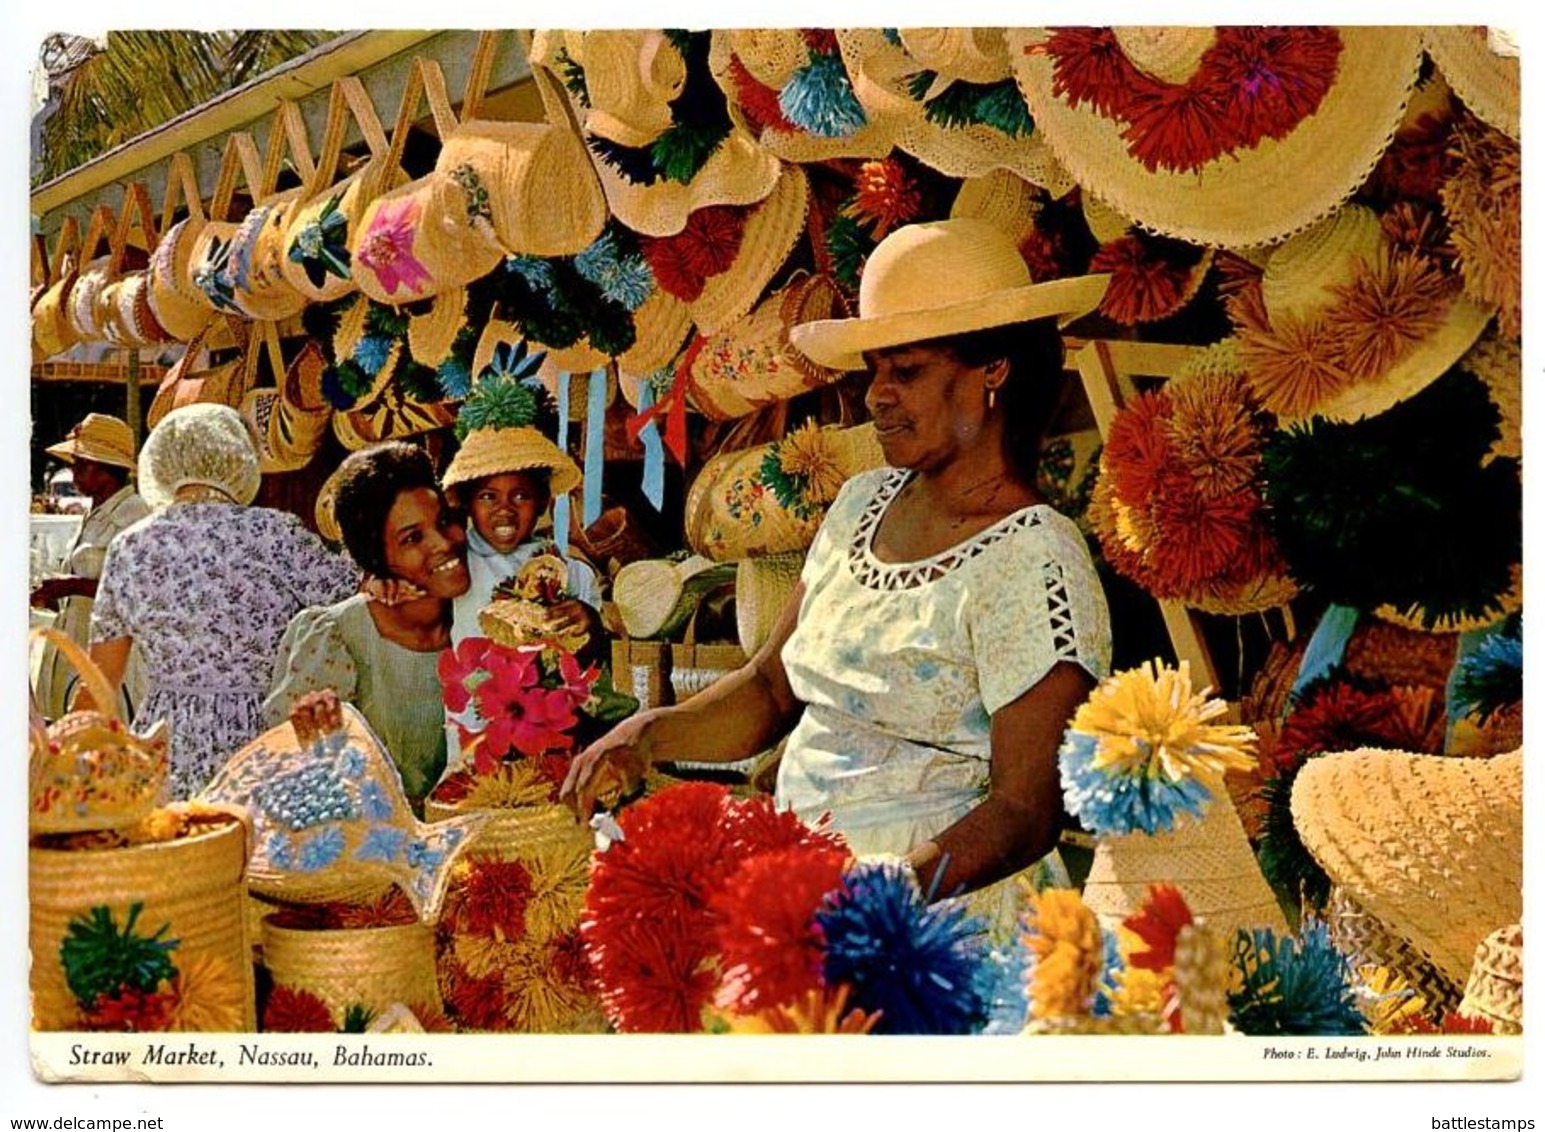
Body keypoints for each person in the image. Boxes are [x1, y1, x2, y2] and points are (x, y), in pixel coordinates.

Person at [563, 218, 1114, 932]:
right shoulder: (861, 503)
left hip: (933, 928)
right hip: (800, 889)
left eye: (906, 370)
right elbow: (768, 689)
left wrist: (874, 894)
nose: (877, 395)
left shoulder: (1035, 559)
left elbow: (1023, 809)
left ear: (993, 371)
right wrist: (646, 734)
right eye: (874, 370)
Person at [85, 403, 358, 800]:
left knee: (183, 850)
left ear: (160, 464)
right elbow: (354, 595)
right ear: (241, 461)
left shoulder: (128, 547)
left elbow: (99, 681)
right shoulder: (274, 534)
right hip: (268, 738)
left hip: (166, 743)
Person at [264, 441, 472, 811]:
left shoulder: (485, 615)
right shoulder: (336, 636)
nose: (443, 543)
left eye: (444, 521)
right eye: (412, 538)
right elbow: (297, 779)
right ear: (377, 556)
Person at [31, 414, 150, 720]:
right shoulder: (92, 515)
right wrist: (54, 594)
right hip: (72, 650)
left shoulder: (135, 516)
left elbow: (139, 592)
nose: (74, 473)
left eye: (82, 465)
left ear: (108, 469)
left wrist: (73, 586)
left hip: (108, 661)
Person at [441, 424, 601, 648]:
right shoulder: (454, 561)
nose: (505, 509)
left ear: (542, 502)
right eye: (488, 497)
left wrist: (589, 620)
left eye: (520, 496)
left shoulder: (571, 571)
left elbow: (595, 651)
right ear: (468, 503)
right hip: (476, 682)